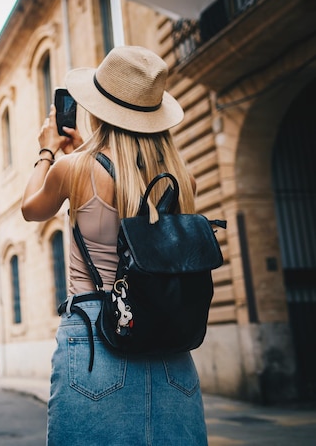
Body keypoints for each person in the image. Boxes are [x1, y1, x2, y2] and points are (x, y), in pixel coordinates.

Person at [21, 45, 207, 445]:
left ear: (99, 107)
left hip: (94, 338)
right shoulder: (183, 177)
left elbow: (30, 209)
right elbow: (131, 187)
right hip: (172, 346)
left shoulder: (73, 168)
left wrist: (47, 151)